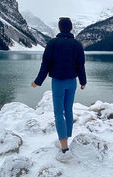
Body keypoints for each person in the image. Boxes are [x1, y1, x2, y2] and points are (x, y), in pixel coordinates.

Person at [31, 17, 87, 162]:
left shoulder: (52, 43)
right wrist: (83, 81)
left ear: (60, 28)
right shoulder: (77, 44)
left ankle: (64, 149)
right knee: (68, 111)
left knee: (58, 113)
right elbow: (80, 65)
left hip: (58, 83)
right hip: (72, 82)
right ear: (71, 28)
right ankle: (65, 139)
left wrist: (38, 81)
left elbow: (46, 64)